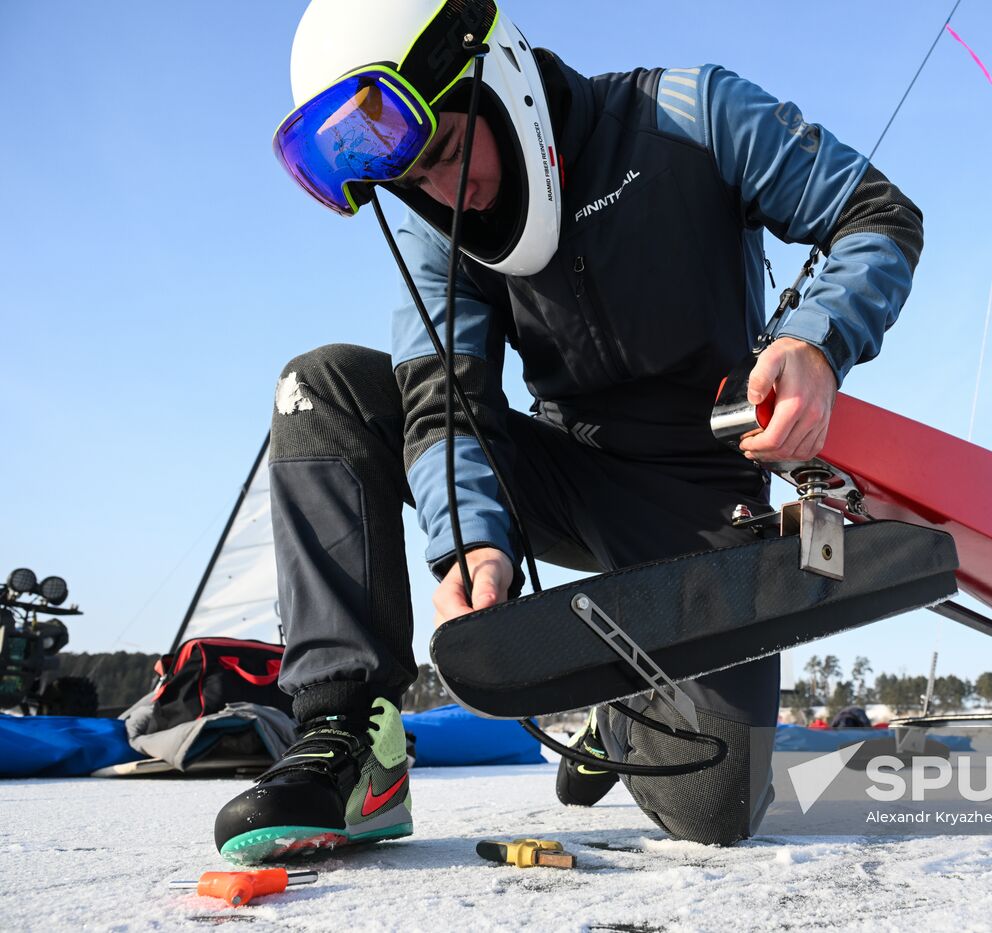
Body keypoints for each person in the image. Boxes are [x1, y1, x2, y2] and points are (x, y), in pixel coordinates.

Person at [215, 0, 922, 863]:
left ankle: (621, 701)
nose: (444, 192)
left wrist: (818, 340)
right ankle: (345, 740)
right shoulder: (435, 213)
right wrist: (470, 539)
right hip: (557, 478)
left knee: (718, 809)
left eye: (444, 151)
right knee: (320, 383)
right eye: (412, 180)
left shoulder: (690, 112)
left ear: (498, 79)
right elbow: (443, 396)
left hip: (697, 499)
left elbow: (878, 215)